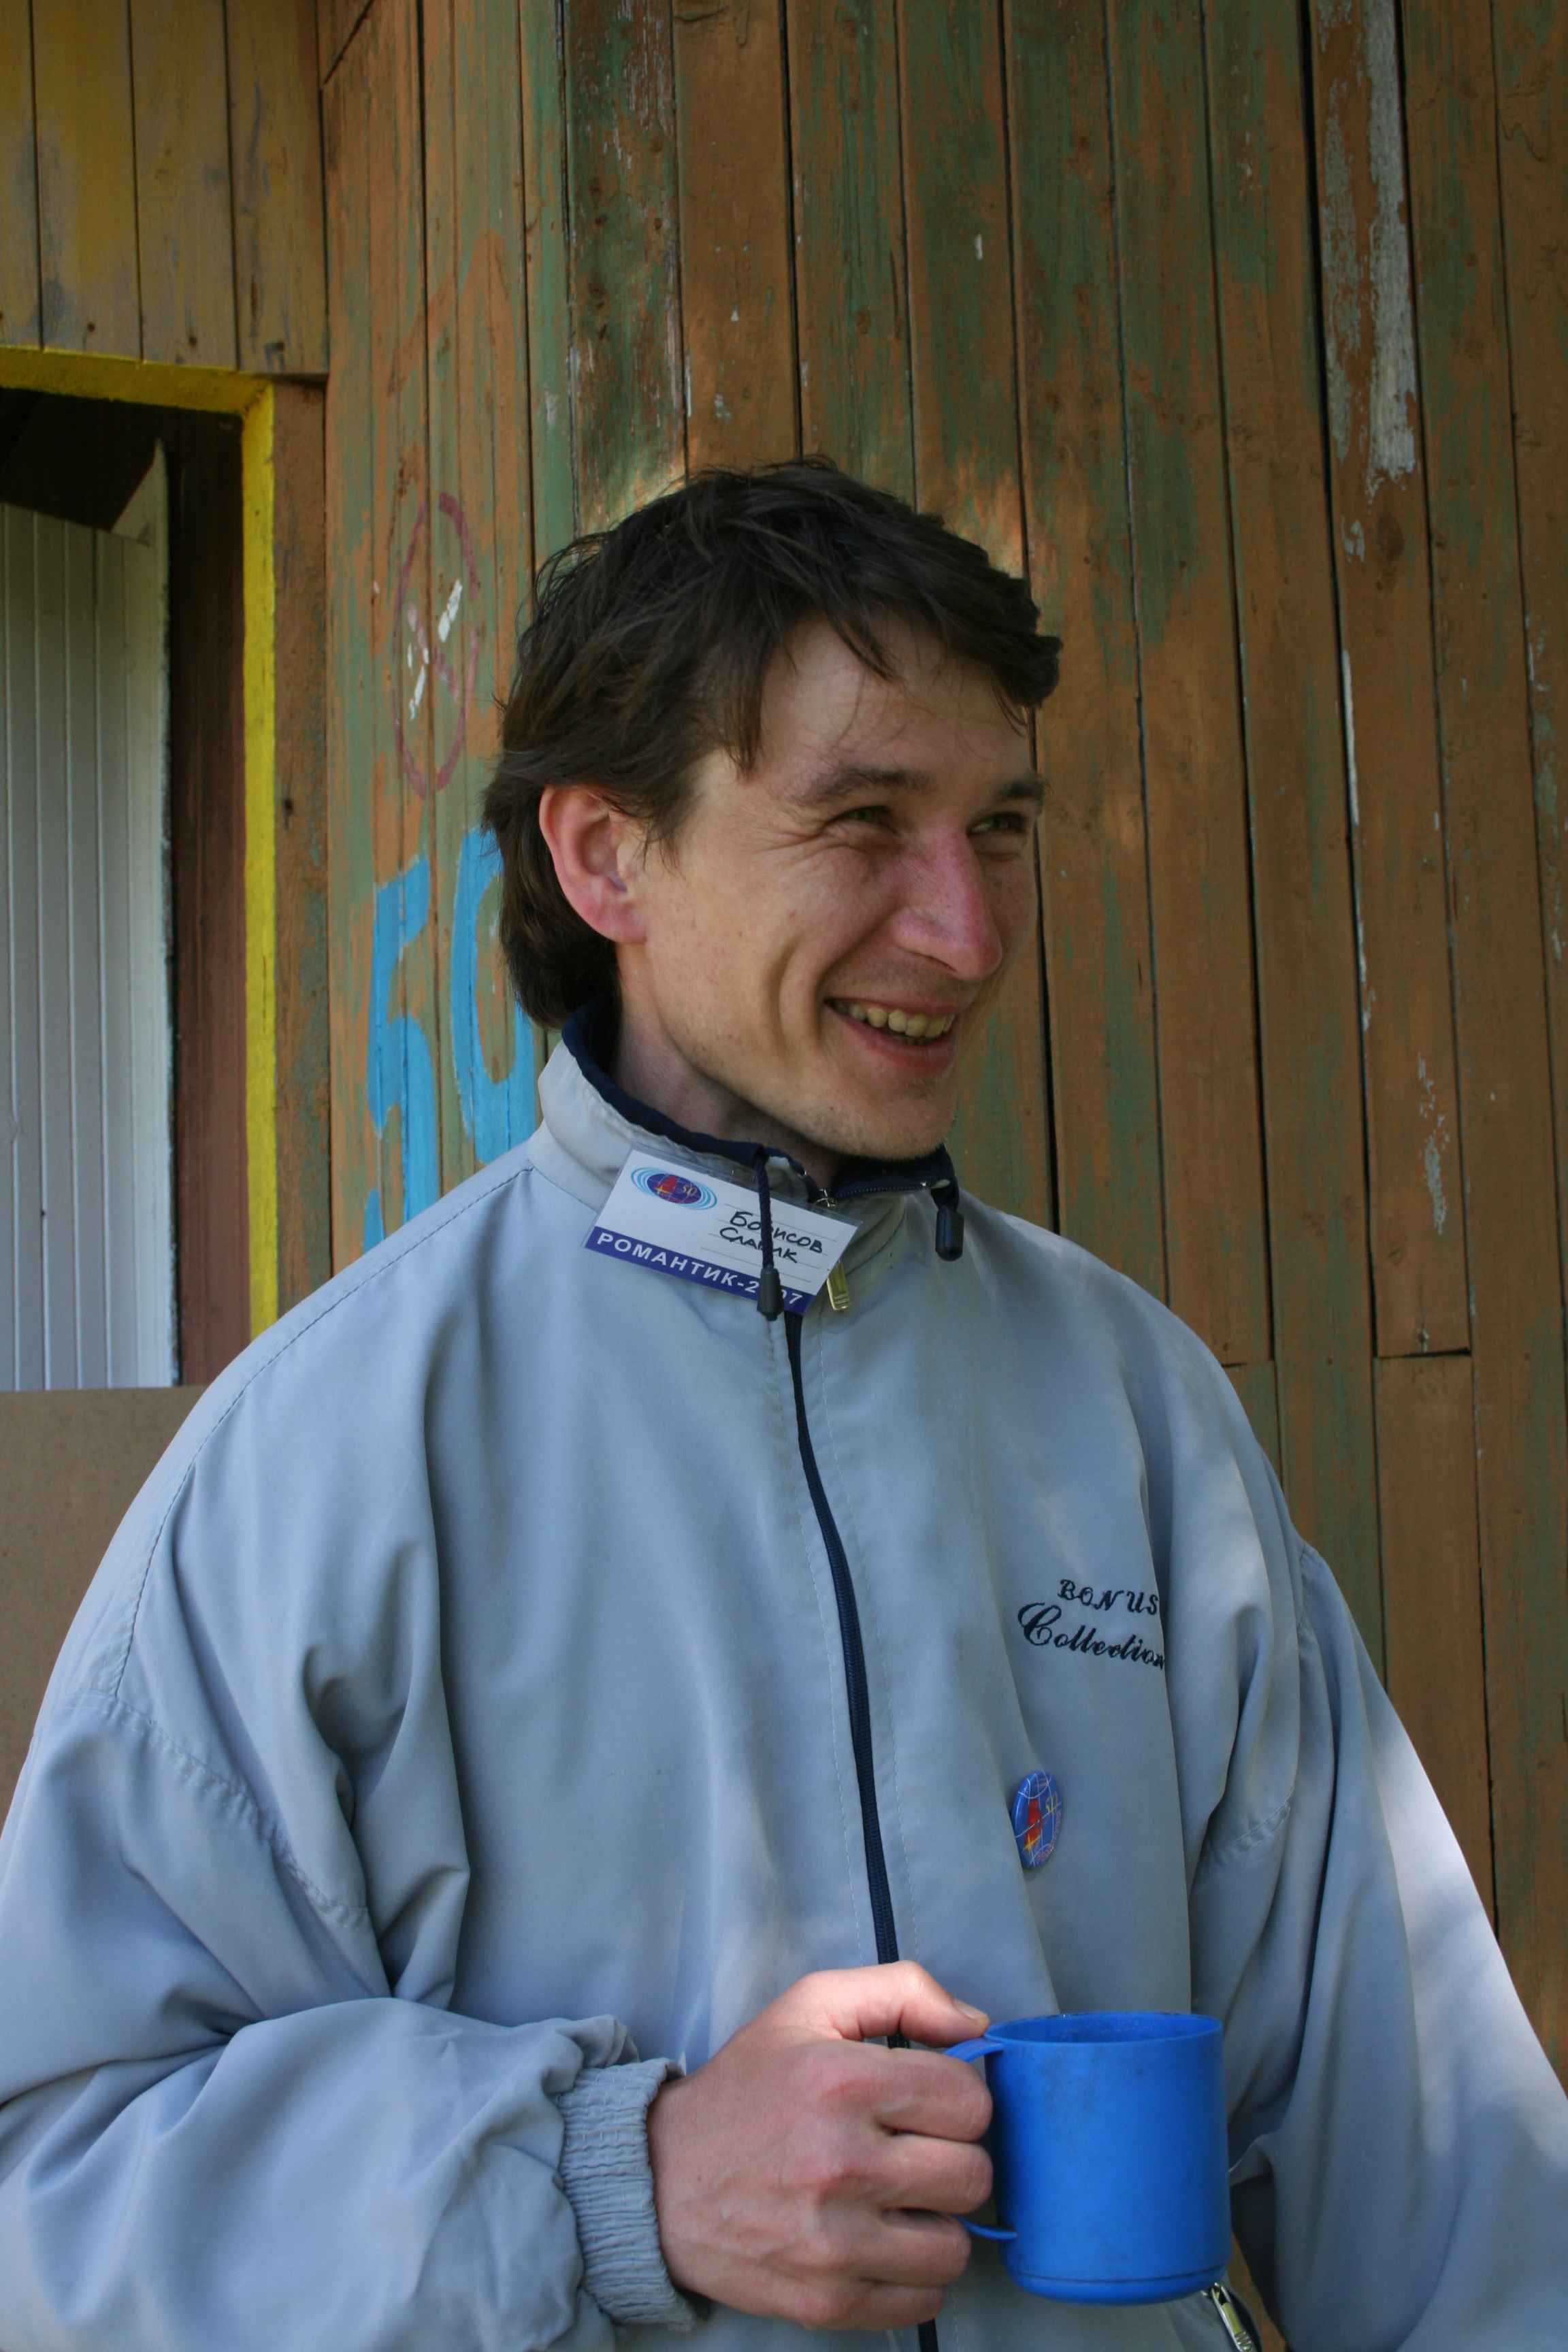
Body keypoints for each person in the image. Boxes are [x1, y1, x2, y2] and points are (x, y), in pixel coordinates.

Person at [0, 457, 1563, 2352]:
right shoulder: (323, 1458)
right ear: (607, 857)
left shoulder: (1135, 1408)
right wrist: (618, 2179)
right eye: (863, 822)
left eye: (999, 829)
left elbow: (1450, 2186)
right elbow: (55, 2187)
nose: (966, 933)